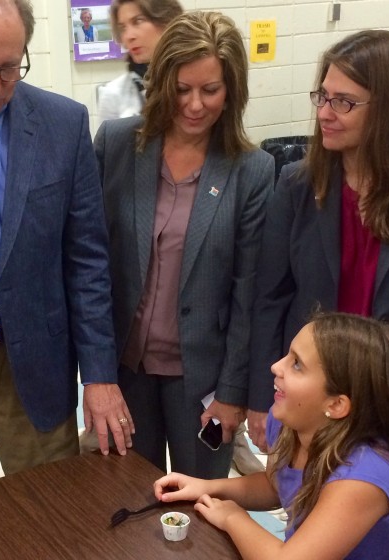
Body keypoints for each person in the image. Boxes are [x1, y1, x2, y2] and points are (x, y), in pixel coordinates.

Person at [0, 0, 133, 498]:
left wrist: (99, 376)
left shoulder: (62, 124)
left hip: (34, 364)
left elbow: (87, 260)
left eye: (11, 67)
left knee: (50, 511)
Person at [94, 11, 274, 479]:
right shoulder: (116, 145)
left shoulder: (251, 171)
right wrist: (94, 372)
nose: (194, 105)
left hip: (204, 381)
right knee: (127, 498)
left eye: (210, 90)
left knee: (202, 506)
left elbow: (247, 293)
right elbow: (89, 263)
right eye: (181, 89)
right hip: (125, 372)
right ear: (161, 83)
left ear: (231, 90)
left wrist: (233, 392)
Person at [247, 29, 389, 451]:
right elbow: (271, 298)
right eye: (322, 96)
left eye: (343, 102)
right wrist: (259, 400)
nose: (325, 113)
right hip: (313, 401)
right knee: (308, 508)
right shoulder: (297, 185)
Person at [155, 312, 389, 560]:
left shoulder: (365, 476)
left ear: (336, 405)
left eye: (297, 365)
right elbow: (276, 485)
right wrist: (209, 487)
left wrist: (233, 518)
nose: (275, 366)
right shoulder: (288, 421)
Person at [98, 0, 183, 123]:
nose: (129, 36)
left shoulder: (193, 80)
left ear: (166, 21)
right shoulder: (113, 95)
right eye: (123, 28)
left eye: (138, 21)